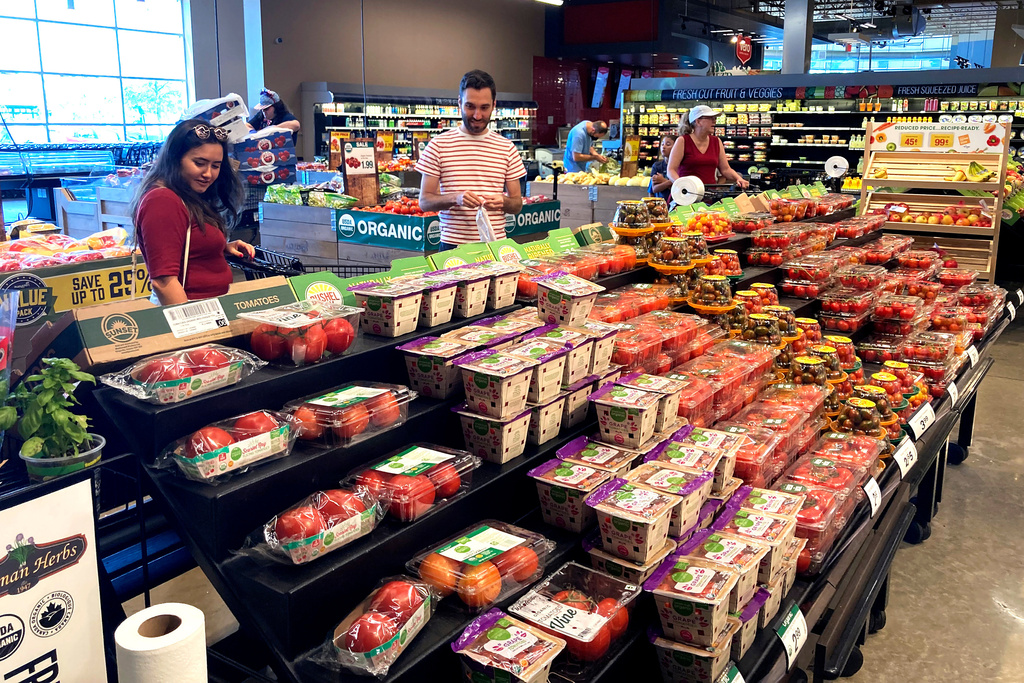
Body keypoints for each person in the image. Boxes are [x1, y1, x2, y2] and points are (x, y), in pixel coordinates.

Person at [132, 118, 255, 305]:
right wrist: (192, 326)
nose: (208, 174)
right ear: (175, 159)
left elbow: (185, 245)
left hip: (210, 309)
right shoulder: (162, 200)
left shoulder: (187, 193)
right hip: (191, 315)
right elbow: (164, 282)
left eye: (215, 166)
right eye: (199, 163)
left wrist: (218, 247)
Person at [417, 70, 526, 249]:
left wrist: (503, 202)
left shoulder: (507, 148)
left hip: (495, 245)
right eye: (470, 106)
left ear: (494, 105)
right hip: (453, 247)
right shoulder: (438, 145)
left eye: (484, 107)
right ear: (459, 103)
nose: (477, 115)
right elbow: (425, 202)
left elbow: (516, 204)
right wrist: (456, 198)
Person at [667, 105, 749, 190]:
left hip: (709, 195)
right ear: (698, 121)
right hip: (686, 196)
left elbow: (725, 169)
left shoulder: (716, 141)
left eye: (714, 118)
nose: (714, 121)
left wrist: (739, 179)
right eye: (710, 118)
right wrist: (682, 186)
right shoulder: (683, 141)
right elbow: (671, 170)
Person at [649, 133, 676, 201]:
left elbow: (681, 189)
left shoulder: (681, 166)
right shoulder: (657, 166)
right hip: (661, 204)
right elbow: (654, 189)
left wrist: (662, 181)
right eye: (662, 144)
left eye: (668, 144)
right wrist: (670, 182)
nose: (663, 147)